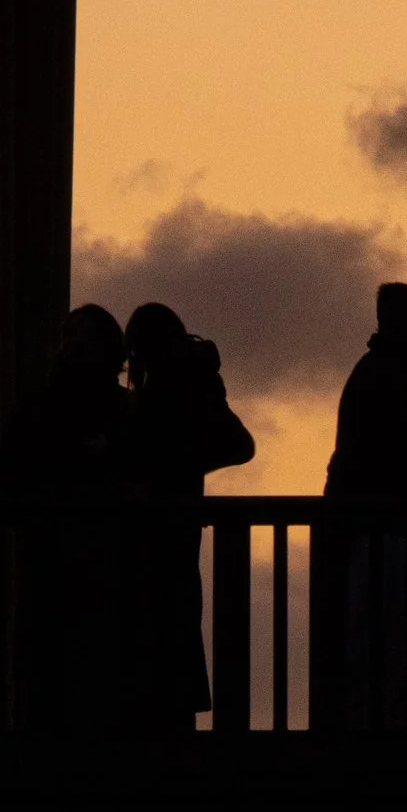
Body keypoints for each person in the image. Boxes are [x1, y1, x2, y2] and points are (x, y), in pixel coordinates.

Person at [114, 302, 257, 734]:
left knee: (154, 654)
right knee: (172, 650)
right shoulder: (195, 381)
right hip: (175, 544)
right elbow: (238, 444)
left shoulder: (175, 386)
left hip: (157, 545)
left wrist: (164, 473)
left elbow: (237, 445)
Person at [0, 304, 131, 732]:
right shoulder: (124, 409)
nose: (72, 346)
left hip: (76, 569)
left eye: (81, 337)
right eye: (69, 336)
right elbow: (7, 475)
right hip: (75, 570)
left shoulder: (40, 406)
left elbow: (8, 476)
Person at [317, 283, 407, 729]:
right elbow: (394, 461)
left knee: (375, 637)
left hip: (378, 527)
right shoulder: (386, 374)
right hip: (377, 529)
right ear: (398, 323)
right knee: (375, 637)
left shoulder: (381, 370)